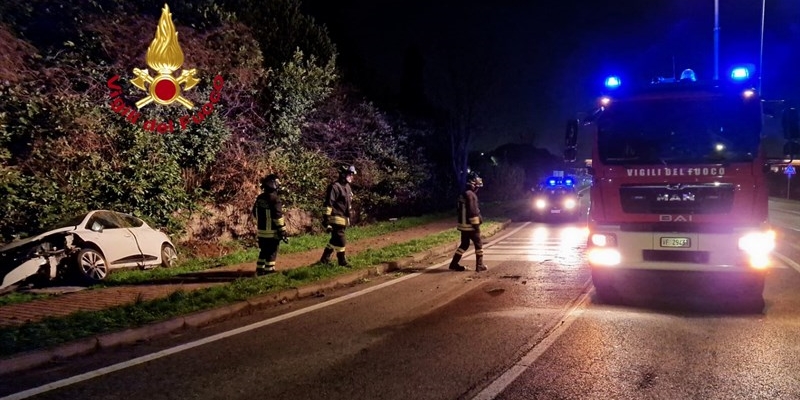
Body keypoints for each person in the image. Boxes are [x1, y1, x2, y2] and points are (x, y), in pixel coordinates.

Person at [448, 171, 488, 272]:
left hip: (463, 225)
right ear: (473, 184)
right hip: (471, 225)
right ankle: (480, 265)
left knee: (464, 244)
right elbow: (473, 211)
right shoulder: (471, 195)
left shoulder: (463, 193)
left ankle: (454, 263)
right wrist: (476, 225)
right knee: (478, 244)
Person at [319, 165, 356, 267]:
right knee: (341, 239)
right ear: (343, 174)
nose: (352, 177)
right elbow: (328, 203)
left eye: (352, 175)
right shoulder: (334, 187)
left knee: (335, 239)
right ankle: (341, 260)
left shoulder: (347, 187)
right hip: (335, 217)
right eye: (350, 174)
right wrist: (326, 218)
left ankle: (324, 259)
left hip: (344, 218)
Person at [252, 174, 288, 275]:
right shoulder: (275, 199)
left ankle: (259, 270)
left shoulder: (260, 198)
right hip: (272, 232)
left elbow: (254, 212)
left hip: (261, 232)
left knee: (263, 251)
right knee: (272, 252)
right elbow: (278, 217)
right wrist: (283, 230)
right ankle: (269, 271)